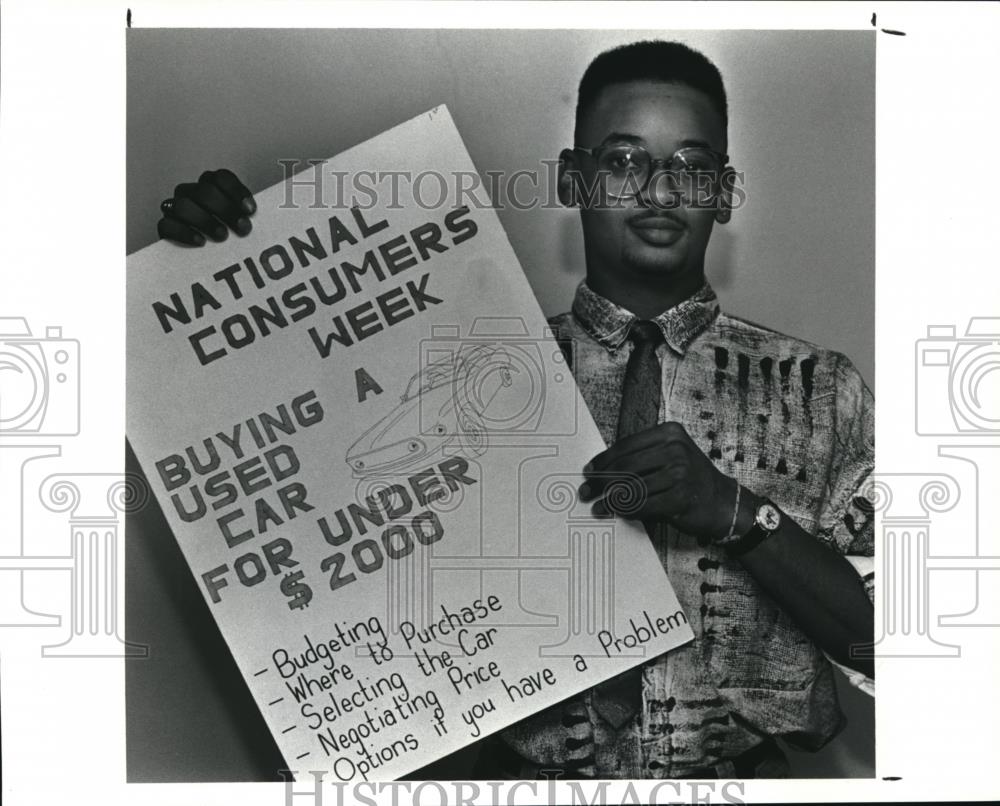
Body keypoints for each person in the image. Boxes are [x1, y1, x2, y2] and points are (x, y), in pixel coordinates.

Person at [154, 40, 874, 780]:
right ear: (573, 179)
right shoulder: (452, 375)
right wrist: (219, 258)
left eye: (690, 167)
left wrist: (731, 509)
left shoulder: (819, 391)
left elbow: (892, 647)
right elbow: (305, 477)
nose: (660, 191)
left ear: (723, 192)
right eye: (625, 160)